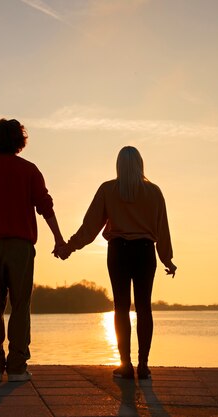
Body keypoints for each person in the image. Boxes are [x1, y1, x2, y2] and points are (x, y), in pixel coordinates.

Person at [55, 146, 177, 380]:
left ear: (118, 165)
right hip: (145, 252)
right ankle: (143, 365)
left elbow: (90, 227)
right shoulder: (154, 192)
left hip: (118, 252)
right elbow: (163, 229)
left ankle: (125, 364)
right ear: (141, 164)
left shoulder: (108, 189)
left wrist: (68, 247)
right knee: (144, 308)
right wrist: (167, 259)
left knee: (120, 307)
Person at [0, 118, 65, 382]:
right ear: (20, 141)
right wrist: (58, 238)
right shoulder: (30, 170)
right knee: (21, 305)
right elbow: (45, 207)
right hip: (21, 246)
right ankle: (18, 366)